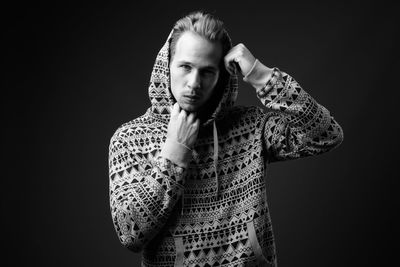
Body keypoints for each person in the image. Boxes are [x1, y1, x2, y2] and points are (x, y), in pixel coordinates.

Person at [108, 11, 343, 267]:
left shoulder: (250, 126)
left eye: (207, 71)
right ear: (167, 65)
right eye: (185, 67)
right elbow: (129, 233)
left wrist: (260, 74)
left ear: (221, 76)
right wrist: (174, 154)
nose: (194, 83)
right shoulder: (130, 138)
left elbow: (326, 135)